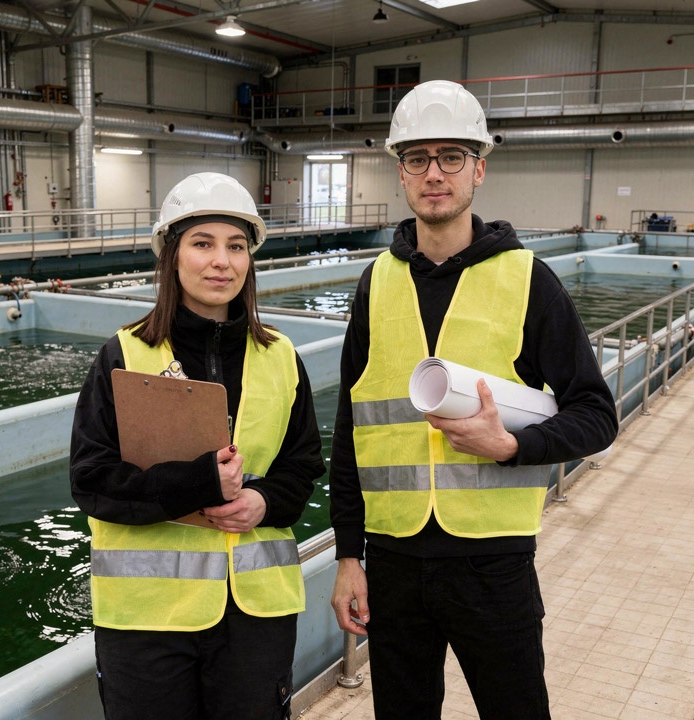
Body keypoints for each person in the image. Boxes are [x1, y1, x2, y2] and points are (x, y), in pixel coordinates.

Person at [328, 80, 618, 719]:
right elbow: (349, 433)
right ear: (400, 172)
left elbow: (597, 414)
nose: (434, 174)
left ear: (479, 169)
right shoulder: (374, 285)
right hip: (394, 561)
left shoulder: (527, 280)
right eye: (417, 158)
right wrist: (350, 557)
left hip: (493, 562)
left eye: (451, 157)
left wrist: (514, 444)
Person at [70, 172, 326, 720]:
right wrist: (198, 483)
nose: (222, 262)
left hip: (256, 615)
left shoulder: (281, 357)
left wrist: (264, 503)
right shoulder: (124, 356)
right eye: (203, 244)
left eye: (236, 246)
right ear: (172, 255)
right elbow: (92, 481)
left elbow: (303, 467)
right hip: (146, 621)